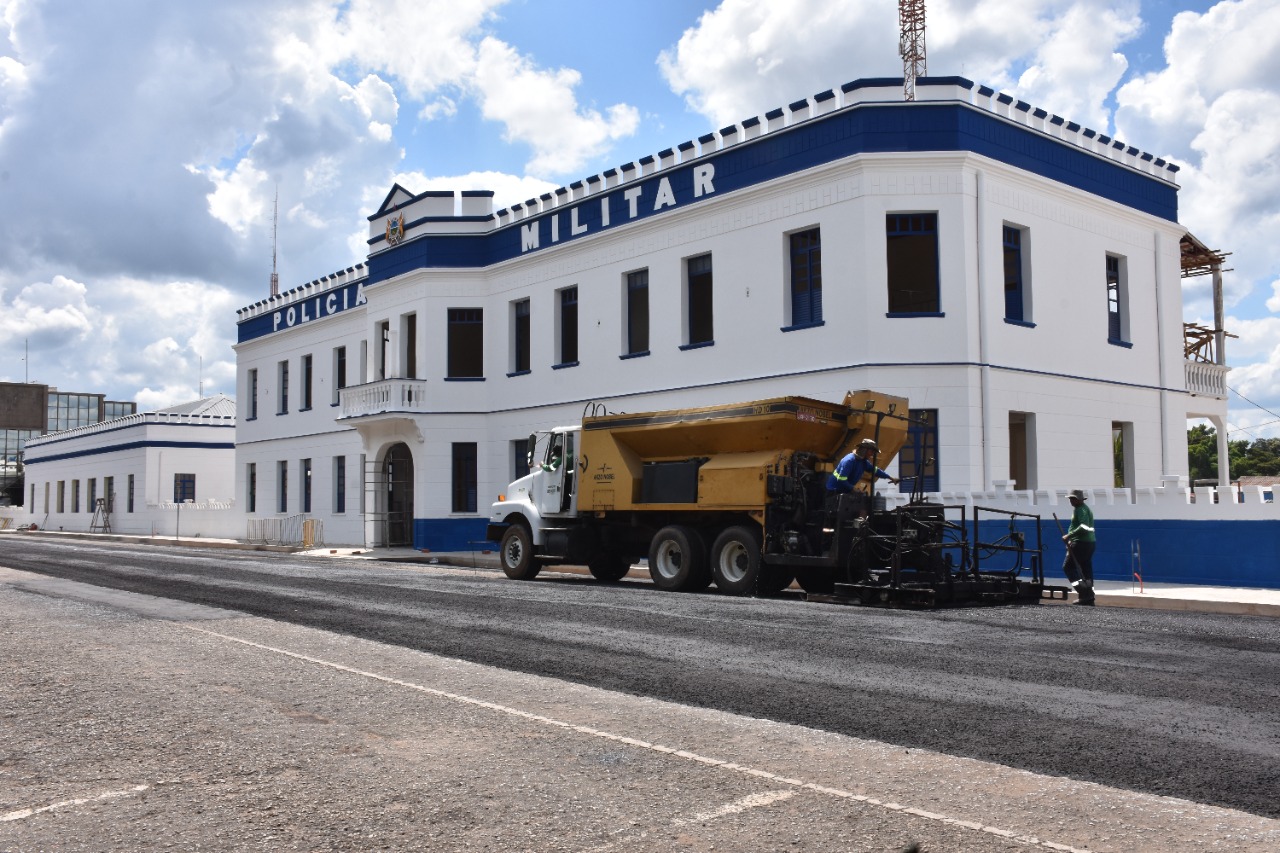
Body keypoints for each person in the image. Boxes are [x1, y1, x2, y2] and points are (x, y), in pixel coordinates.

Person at [827, 438, 900, 493]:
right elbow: (841, 480)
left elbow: (876, 471)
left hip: (844, 491)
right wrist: (854, 489)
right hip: (834, 491)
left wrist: (891, 478)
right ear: (864, 449)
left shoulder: (863, 462)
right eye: (871, 451)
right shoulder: (849, 461)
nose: (872, 454)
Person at [1062, 489, 1096, 605]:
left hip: (1081, 543)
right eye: (1070, 499)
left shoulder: (1081, 510)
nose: (1070, 501)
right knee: (1086, 569)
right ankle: (1089, 595)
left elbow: (1084, 527)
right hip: (1089, 543)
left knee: (1068, 567)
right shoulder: (1083, 509)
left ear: (1078, 500)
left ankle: (1084, 593)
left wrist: (1069, 536)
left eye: (1072, 499)